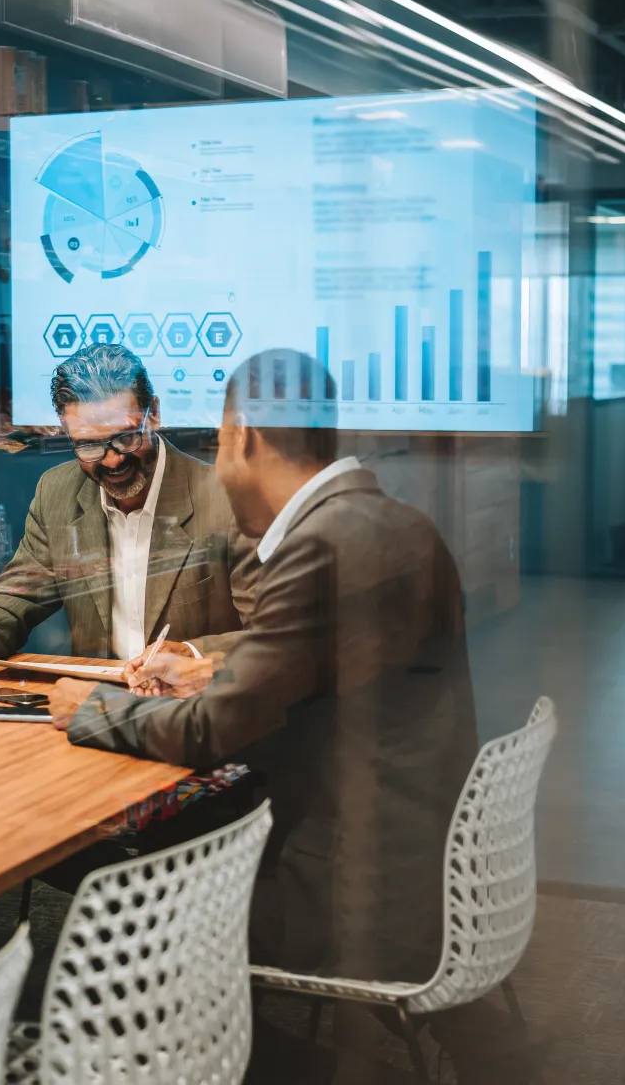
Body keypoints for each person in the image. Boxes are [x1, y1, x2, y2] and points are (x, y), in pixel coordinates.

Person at [49, 348, 479, 986]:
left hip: (349, 898)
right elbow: (318, 662)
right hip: (423, 869)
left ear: (241, 438)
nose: (219, 471)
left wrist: (91, 708)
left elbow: (210, 732)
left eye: (220, 446)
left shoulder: (321, 547)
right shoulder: (397, 523)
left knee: (116, 899)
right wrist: (215, 670)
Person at [0, 342, 257, 678]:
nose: (113, 459)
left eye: (127, 437)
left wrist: (192, 654)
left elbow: (278, 635)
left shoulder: (230, 499)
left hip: (192, 711)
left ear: (156, 414)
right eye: (89, 444)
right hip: (91, 708)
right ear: (66, 430)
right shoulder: (56, 493)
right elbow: (15, 595)